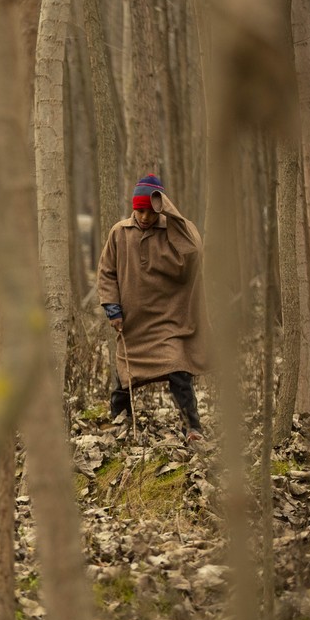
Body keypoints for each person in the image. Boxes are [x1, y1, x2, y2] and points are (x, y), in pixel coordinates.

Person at [97, 174, 209, 443]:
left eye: (150, 210)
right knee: (124, 378)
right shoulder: (119, 232)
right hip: (133, 322)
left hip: (169, 321)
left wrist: (168, 213)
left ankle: (192, 427)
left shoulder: (172, 230)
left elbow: (194, 249)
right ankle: (118, 422)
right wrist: (113, 308)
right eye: (140, 210)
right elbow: (106, 272)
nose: (145, 217)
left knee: (179, 372)